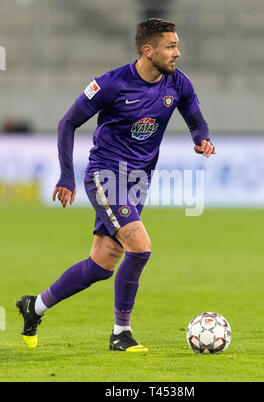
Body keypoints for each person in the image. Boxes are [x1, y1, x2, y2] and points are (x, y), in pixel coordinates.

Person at [16, 18, 216, 352]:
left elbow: (197, 121)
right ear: (147, 50)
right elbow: (67, 123)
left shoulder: (178, 84)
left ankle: (33, 307)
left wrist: (202, 139)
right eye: (171, 46)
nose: (177, 53)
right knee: (141, 247)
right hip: (105, 176)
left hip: (139, 181)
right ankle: (121, 334)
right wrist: (66, 176)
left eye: (177, 45)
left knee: (102, 264)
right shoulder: (110, 84)